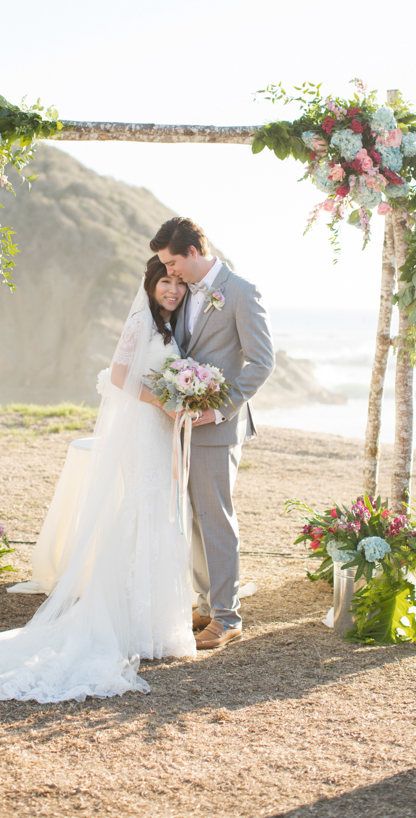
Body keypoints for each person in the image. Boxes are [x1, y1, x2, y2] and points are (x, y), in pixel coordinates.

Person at [0, 256, 195, 703]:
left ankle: (156, 622)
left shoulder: (172, 325)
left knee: (159, 507)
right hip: (143, 426)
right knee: (141, 504)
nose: (172, 289)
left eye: (178, 282)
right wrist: (164, 403)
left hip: (160, 427)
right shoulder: (141, 322)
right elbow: (119, 374)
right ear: (151, 284)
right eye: (165, 282)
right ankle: (128, 620)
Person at [150, 218, 274, 650]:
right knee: (195, 521)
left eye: (172, 262)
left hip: (218, 428)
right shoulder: (182, 293)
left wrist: (219, 410)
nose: (171, 271)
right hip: (183, 426)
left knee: (217, 519)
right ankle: (206, 603)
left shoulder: (242, 291)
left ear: (193, 252)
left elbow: (261, 363)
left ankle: (228, 617)